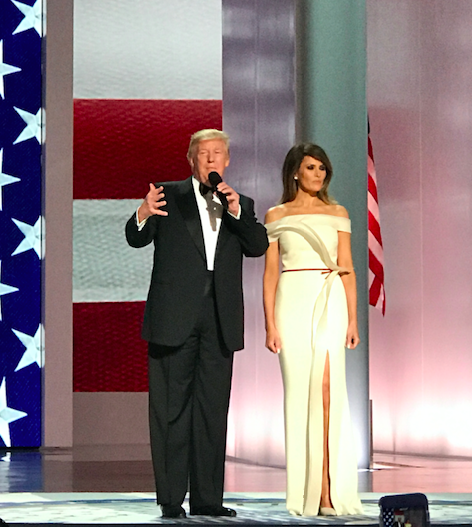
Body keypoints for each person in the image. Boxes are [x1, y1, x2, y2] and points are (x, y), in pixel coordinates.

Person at [125, 129, 268, 519]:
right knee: (171, 409)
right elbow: (135, 238)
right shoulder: (168, 195)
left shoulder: (241, 205)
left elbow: (258, 246)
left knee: (211, 410)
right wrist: (141, 214)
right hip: (174, 317)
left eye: (217, 154)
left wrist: (237, 213)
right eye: (203, 154)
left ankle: (208, 498)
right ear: (191, 159)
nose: (210, 160)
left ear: (227, 161)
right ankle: (171, 499)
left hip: (219, 319)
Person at [263, 143, 363, 517]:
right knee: (299, 394)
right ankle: (305, 490)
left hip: (330, 298)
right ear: (295, 172)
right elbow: (271, 272)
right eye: (310, 167)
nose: (318, 174)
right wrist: (270, 323)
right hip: (292, 301)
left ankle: (328, 488)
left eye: (322, 168)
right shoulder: (276, 215)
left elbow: (348, 267)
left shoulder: (338, 213)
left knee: (327, 389)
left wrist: (352, 320)